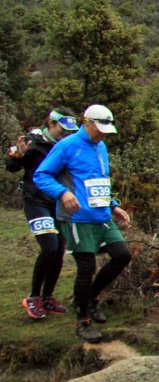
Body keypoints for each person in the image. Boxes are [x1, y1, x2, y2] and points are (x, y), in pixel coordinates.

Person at [32, 104, 132, 343]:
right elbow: (41, 175)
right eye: (98, 128)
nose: (102, 133)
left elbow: (99, 181)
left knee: (122, 254)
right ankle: (83, 321)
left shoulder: (102, 147)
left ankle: (90, 297)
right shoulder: (66, 146)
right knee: (86, 267)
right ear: (86, 122)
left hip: (101, 215)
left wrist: (114, 206)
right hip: (77, 217)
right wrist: (61, 193)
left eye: (106, 129)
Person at [5, 107, 79, 319]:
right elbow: (11, 165)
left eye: (69, 130)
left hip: (57, 202)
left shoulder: (67, 145)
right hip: (35, 202)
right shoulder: (33, 141)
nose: (66, 134)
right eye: (62, 129)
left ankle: (48, 297)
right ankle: (33, 297)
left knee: (59, 250)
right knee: (49, 247)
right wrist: (17, 156)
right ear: (51, 124)